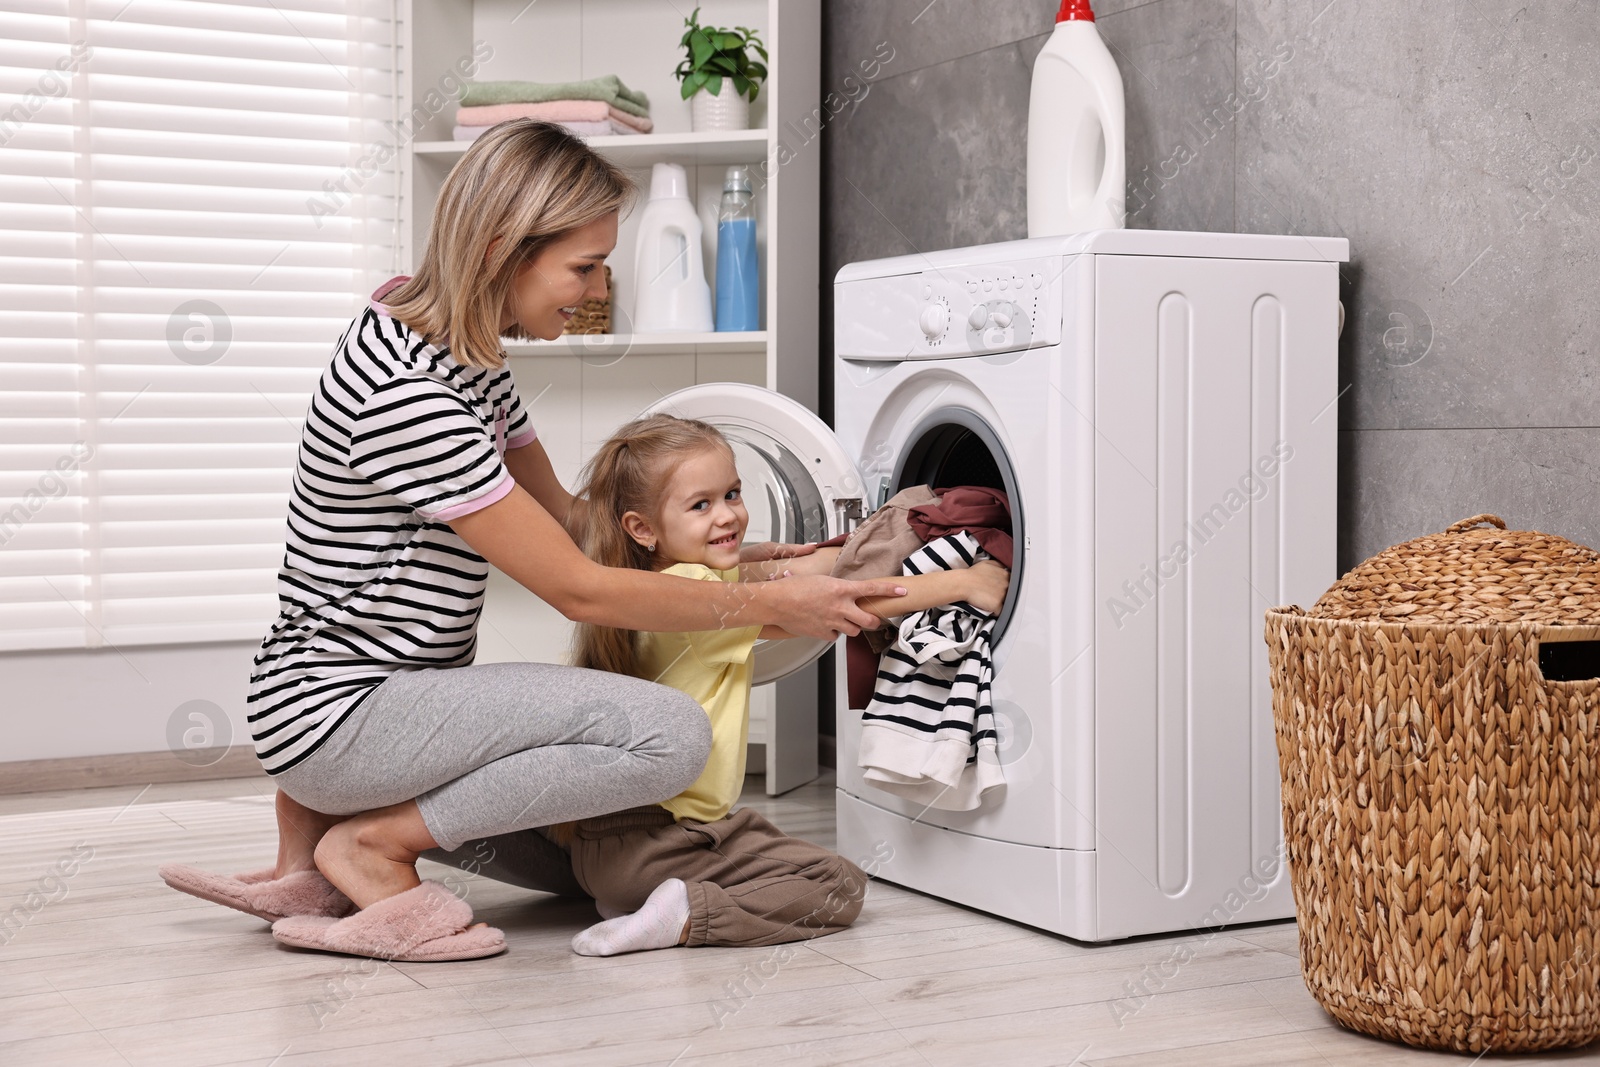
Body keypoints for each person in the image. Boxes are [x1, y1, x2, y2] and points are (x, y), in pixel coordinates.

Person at [157, 120, 907, 963]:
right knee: (671, 736)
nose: (593, 289)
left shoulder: (461, 347)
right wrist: (770, 604)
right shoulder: (409, 396)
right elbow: (579, 586)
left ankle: (338, 837)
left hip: (390, 711)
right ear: (504, 250)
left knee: (588, 852)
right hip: (345, 716)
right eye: (582, 267)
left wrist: (761, 555)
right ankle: (368, 844)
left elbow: (576, 519)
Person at [553, 414, 1011, 955]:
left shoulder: (649, 585)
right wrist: (961, 581)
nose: (727, 515)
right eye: (701, 505)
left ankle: (640, 896)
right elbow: (846, 607)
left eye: (733, 493)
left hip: (609, 843)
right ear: (642, 529)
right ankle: (681, 914)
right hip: (659, 840)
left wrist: (774, 558)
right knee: (837, 885)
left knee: (763, 836)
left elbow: (792, 575)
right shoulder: (697, 594)